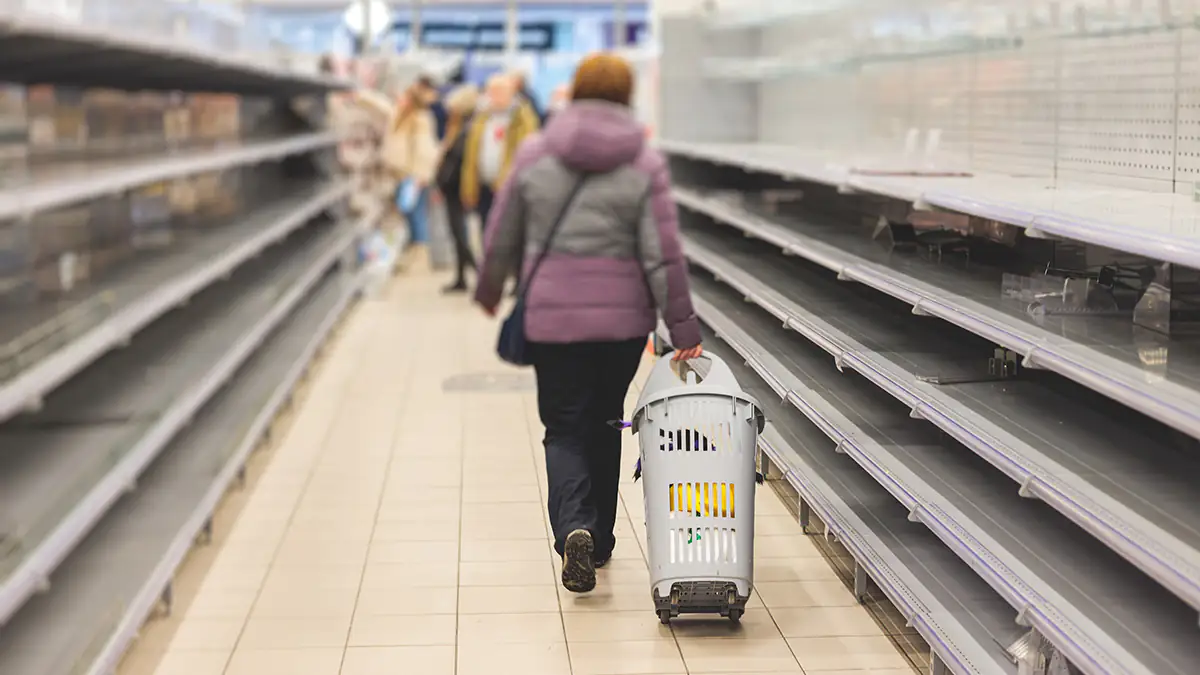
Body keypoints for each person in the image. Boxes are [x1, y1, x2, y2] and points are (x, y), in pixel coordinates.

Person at [473, 53, 703, 594]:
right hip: (622, 325)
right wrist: (683, 327)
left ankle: (573, 525)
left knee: (564, 427)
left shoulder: (534, 152)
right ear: (627, 96)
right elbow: (663, 255)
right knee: (605, 421)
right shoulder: (644, 164)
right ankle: (598, 540)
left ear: (575, 92)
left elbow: (503, 230)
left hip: (553, 320)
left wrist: (488, 288)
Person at [460, 74, 539, 232]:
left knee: (506, 233)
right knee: (485, 229)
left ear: (511, 93)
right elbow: (470, 155)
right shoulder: (481, 118)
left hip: (509, 188)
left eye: (499, 92)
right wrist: (468, 186)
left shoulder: (522, 118)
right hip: (483, 185)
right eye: (492, 92)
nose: (495, 96)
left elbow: (528, 152)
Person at [378, 78, 440, 269]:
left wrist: (421, 175)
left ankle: (420, 257)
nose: (400, 100)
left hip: (414, 177)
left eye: (404, 97)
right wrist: (358, 96)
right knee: (410, 214)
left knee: (416, 215)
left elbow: (425, 150)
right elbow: (380, 106)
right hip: (403, 174)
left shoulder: (420, 119)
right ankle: (413, 253)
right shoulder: (400, 116)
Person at [434, 83, 481, 293]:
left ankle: (479, 273)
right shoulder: (460, 128)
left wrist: (442, 182)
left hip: (456, 188)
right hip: (452, 187)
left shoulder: (467, 129)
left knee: (459, 233)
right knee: (457, 233)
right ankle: (462, 276)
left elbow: (457, 161)